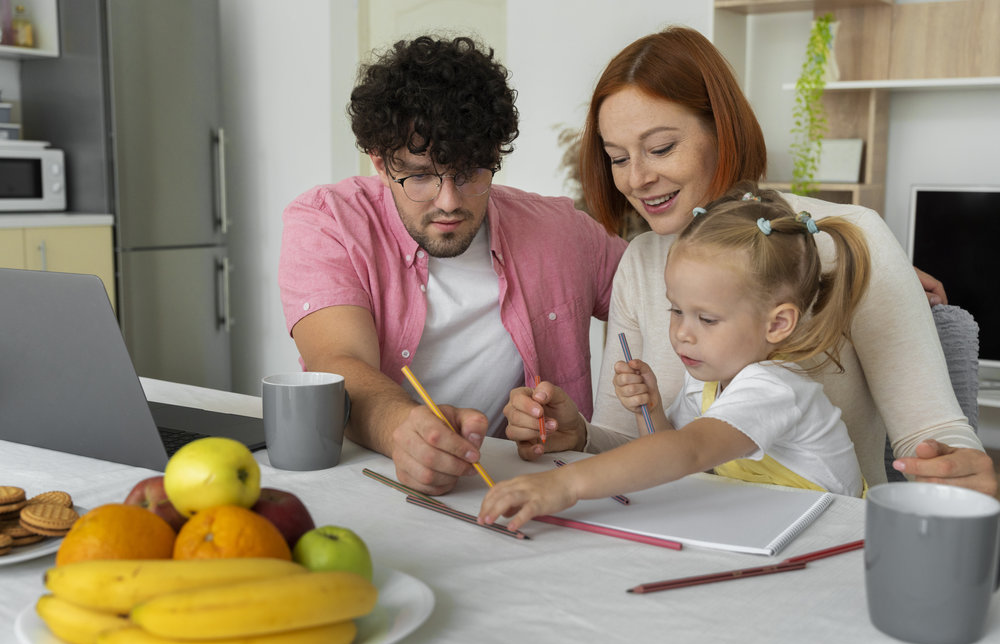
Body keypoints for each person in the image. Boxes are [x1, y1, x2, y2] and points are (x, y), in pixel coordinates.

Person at [500, 26, 996, 495]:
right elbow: (640, 443)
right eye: (618, 158)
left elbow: (930, 431)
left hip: (823, 533)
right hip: (699, 530)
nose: (636, 179)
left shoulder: (851, 236)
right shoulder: (642, 260)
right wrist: (581, 435)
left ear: (723, 131)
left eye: (660, 148)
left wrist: (956, 468)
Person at [278, 36, 627, 495]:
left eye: (468, 174)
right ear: (380, 163)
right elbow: (338, 363)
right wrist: (403, 429)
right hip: (370, 484)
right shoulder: (330, 222)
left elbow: (668, 296)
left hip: (525, 492)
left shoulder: (560, 232)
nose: (448, 201)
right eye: (421, 175)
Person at [480, 185, 872, 527]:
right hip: (778, 525)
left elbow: (688, 452)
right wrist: (649, 411)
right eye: (676, 310)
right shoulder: (708, 382)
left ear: (778, 324)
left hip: (838, 536)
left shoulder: (775, 389)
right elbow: (674, 457)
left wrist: (567, 483)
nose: (683, 332)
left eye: (707, 319)